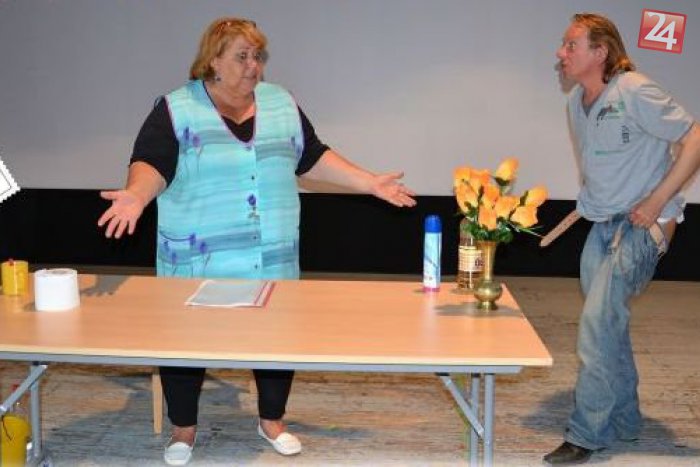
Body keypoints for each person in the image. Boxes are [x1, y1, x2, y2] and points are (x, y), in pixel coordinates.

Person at [97, 17, 416, 466]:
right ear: (213, 60)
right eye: (242, 56)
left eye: (258, 56)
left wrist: (369, 182)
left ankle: (272, 422)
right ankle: (184, 429)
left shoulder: (280, 102)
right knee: (184, 343)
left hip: (270, 253)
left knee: (277, 338)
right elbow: (152, 162)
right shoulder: (176, 108)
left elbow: (311, 156)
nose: (254, 66)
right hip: (198, 258)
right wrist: (135, 194)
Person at [544, 13, 700, 465]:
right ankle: (627, 420)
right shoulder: (575, 103)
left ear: (601, 52)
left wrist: (656, 201)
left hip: (642, 227)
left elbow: (694, 138)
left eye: (571, 45)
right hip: (602, 226)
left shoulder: (634, 90)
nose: (561, 53)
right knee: (608, 324)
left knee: (596, 325)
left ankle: (586, 434)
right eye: (563, 45)